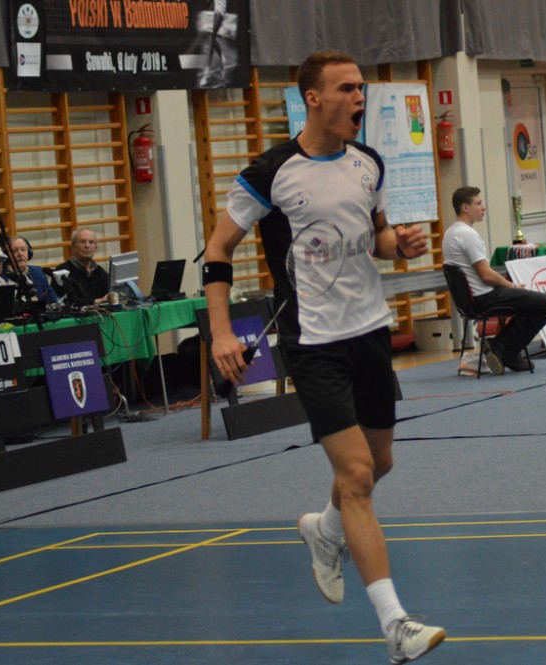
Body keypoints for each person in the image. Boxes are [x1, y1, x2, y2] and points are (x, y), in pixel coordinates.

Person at [202, 50, 446, 664]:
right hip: (313, 344)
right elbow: (218, 249)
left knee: (380, 463)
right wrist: (221, 333)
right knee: (357, 477)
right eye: (346, 88)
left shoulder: (369, 163)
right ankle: (395, 625)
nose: (359, 97)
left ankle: (324, 530)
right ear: (313, 98)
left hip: (370, 333)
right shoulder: (270, 172)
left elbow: (378, 237)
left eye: (361, 87)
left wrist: (399, 245)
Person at [443, 186, 546, 374]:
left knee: (529, 302)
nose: (483, 207)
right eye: (478, 203)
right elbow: (486, 275)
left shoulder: (450, 233)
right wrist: (513, 286)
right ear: (465, 207)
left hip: (469, 301)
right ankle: (505, 349)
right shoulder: (468, 235)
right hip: (484, 298)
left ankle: (504, 348)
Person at [52, 228, 109, 305]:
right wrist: (95, 302)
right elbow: (65, 302)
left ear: (96, 248)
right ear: (73, 247)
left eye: (91, 242)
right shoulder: (62, 272)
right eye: (82, 242)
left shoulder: (99, 271)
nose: (87, 246)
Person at [9, 236, 58, 304]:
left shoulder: (38, 272)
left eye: (23, 249)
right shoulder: (3, 279)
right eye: (15, 251)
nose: (20, 254)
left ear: (29, 253)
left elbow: (52, 300)